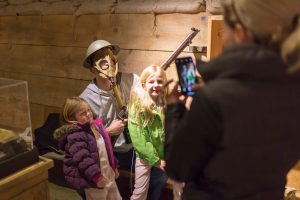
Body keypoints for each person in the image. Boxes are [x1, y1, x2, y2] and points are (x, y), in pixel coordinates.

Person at [164, 0, 300, 199]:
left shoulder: (214, 98)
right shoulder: (292, 92)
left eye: (224, 29)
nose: (224, 36)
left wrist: (175, 109)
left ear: (240, 32)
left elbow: (178, 168)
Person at [80, 40, 167, 199]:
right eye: (102, 61)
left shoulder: (132, 80)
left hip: (135, 148)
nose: (109, 64)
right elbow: (82, 139)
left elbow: (150, 100)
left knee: (159, 176)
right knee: (88, 176)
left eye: (111, 58)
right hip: (107, 153)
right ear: (93, 68)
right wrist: (107, 132)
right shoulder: (86, 100)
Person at [53, 97, 121, 200]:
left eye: (89, 110)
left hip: (107, 173)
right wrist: (96, 176)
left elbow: (106, 149)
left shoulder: (95, 127)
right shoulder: (75, 136)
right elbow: (83, 159)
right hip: (94, 179)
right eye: (83, 113)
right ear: (71, 118)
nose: (88, 114)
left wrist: (114, 165)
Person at [128, 65, 168, 200]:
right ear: (144, 85)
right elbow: (139, 140)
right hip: (145, 156)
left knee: (160, 182)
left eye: (160, 81)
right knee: (140, 192)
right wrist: (157, 160)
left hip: (163, 154)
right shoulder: (137, 106)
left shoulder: (165, 103)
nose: (156, 85)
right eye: (151, 82)